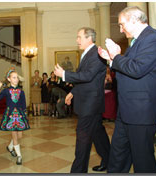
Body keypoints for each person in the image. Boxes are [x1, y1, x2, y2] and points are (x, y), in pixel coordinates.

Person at [98, 6, 156, 173]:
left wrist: (116, 57)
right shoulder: (137, 41)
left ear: (134, 20)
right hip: (127, 111)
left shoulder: (153, 38)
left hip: (141, 112)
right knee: (118, 157)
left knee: (143, 162)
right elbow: (127, 69)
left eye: (122, 24)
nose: (121, 30)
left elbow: (137, 69)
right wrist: (111, 60)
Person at [54, 27, 110, 173]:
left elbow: (87, 76)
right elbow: (85, 78)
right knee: (98, 134)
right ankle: (109, 160)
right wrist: (72, 92)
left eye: (79, 37)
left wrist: (64, 74)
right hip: (90, 102)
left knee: (83, 139)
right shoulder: (88, 53)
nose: (77, 40)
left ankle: (78, 171)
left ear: (89, 38)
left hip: (90, 104)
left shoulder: (97, 54)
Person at [0, 70, 30, 165]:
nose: (16, 79)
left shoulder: (21, 91)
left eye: (17, 77)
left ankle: (10, 147)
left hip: (20, 115)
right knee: (15, 136)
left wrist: (24, 114)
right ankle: (19, 156)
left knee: (19, 135)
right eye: (14, 77)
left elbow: (23, 104)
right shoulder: (6, 91)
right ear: (9, 79)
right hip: (10, 115)